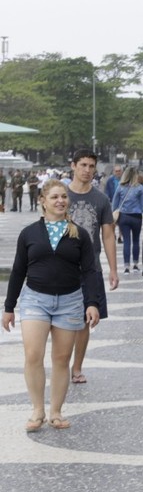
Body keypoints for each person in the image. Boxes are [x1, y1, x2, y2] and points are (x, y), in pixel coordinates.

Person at [2, 180, 100, 431]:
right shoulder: (29, 233)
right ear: (42, 201)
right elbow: (18, 271)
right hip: (35, 299)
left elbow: (90, 271)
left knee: (61, 358)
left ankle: (55, 411)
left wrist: (92, 303)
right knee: (33, 355)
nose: (60, 201)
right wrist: (9, 306)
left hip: (69, 302)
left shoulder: (79, 233)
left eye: (64, 197)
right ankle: (37, 410)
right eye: (55, 197)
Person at [66, 149, 119, 384]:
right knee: (61, 319)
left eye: (91, 166)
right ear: (73, 166)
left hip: (90, 268)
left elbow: (108, 236)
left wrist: (113, 269)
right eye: (83, 165)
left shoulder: (101, 199)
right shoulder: (60, 195)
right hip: (62, 267)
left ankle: (77, 367)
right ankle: (61, 362)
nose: (87, 170)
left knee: (86, 318)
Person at [111, 166, 143, 274]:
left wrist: (113, 218)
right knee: (136, 241)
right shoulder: (140, 188)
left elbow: (114, 204)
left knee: (126, 241)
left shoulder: (120, 187)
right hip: (136, 217)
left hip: (123, 216)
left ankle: (126, 266)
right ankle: (136, 265)